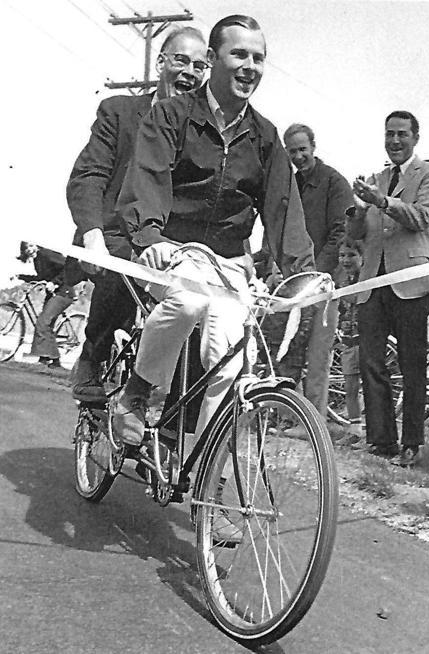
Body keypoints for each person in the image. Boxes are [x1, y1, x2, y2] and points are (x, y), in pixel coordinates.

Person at [113, 14, 315, 448]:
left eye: (258, 58)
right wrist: (150, 238)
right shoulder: (171, 115)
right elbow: (147, 177)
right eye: (239, 54)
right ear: (212, 58)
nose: (250, 66)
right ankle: (136, 394)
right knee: (187, 301)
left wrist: (302, 272)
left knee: (230, 357)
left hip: (227, 264)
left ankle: (210, 472)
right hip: (172, 251)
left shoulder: (264, 136)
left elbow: (282, 208)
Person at [66, 26, 208, 403]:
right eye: (181, 60)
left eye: (199, 65)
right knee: (121, 266)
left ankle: (170, 435)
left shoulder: (203, 133)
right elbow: (89, 175)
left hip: (170, 243)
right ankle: (93, 356)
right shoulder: (120, 112)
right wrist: (92, 235)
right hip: (116, 235)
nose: (189, 72)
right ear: (161, 62)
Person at [347, 110, 429, 466]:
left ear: (415, 138)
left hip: (412, 284)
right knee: (372, 361)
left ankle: (412, 442)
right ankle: (381, 440)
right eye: (389, 134)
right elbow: (356, 237)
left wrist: (381, 201)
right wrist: (357, 210)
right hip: (373, 283)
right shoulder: (377, 178)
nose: (394, 141)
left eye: (402, 134)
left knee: (411, 362)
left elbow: (421, 217)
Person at [281, 123, 352, 416]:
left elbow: (341, 233)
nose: (299, 156)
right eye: (292, 151)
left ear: (313, 146)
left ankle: (313, 419)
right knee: (288, 348)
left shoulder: (334, 182)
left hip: (325, 282)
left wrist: (317, 272)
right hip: (293, 280)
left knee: (318, 354)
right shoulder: (289, 185)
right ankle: (285, 414)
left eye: (303, 149)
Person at [17, 242, 76, 368]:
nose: (29, 250)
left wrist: (55, 282)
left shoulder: (47, 254)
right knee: (46, 324)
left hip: (63, 293)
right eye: (26, 248)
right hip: (54, 294)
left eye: (31, 246)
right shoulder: (38, 259)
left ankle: (54, 357)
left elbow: (67, 267)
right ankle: (46, 360)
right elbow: (42, 276)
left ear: (37, 245)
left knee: (43, 323)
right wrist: (21, 277)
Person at [333, 237, 364, 447]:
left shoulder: (366, 281)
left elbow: (359, 299)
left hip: (366, 340)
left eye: (351, 255)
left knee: (369, 388)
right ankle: (354, 429)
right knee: (350, 388)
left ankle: (372, 431)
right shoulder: (343, 282)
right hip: (348, 341)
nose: (345, 260)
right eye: (342, 255)